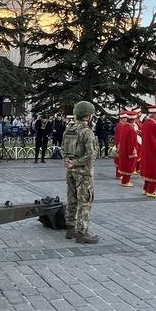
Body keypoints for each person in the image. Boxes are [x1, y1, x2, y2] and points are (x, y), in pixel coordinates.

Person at [63, 101, 100, 244]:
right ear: (89, 115)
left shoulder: (69, 129)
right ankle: (82, 232)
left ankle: (70, 228)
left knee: (71, 199)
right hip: (83, 173)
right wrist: (76, 163)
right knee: (85, 201)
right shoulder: (87, 132)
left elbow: (63, 148)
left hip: (71, 171)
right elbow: (91, 155)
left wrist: (68, 162)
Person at [115, 109, 138, 186]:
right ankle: (126, 181)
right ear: (133, 120)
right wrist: (132, 152)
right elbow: (131, 141)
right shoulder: (130, 128)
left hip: (124, 149)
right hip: (129, 150)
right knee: (128, 165)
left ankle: (125, 181)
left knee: (125, 165)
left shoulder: (125, 126)